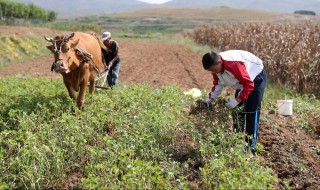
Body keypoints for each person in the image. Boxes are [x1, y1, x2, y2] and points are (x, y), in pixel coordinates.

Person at [202, 50, 267, 153]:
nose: (214, 72)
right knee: (237, 112)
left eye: (214, 69)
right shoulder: (217, 69)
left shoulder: (234, 64)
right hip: (243, 80)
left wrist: (238, 99)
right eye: (211, 71)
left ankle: (250, 148)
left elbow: (249, 84)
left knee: (251, 111)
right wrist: (210, 99)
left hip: (255, 76)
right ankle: (236, 142)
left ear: (219, 62)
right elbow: (218, 84)